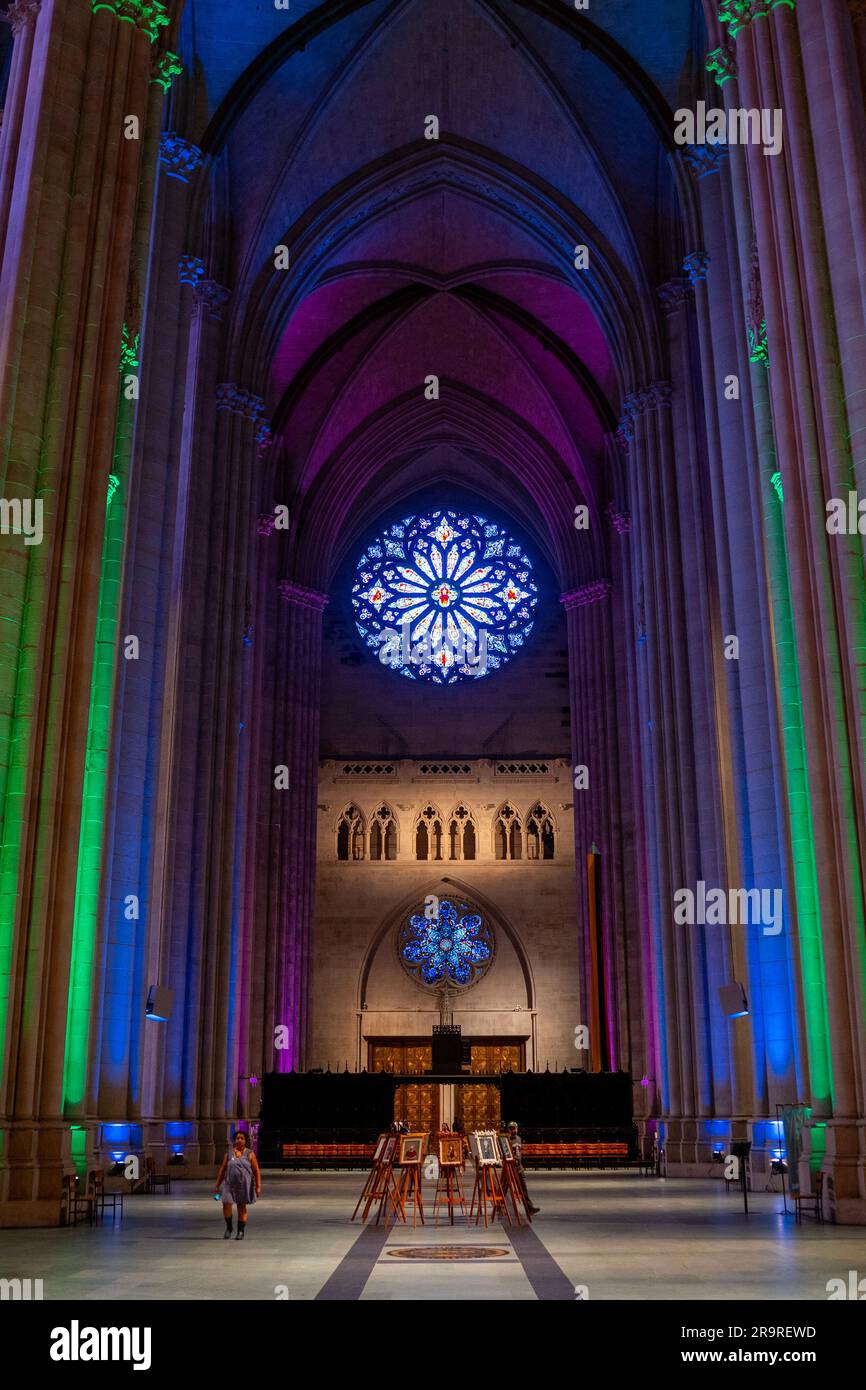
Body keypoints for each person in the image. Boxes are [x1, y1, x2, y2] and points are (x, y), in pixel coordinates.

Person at [215, 1130, 261, 1239]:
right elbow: (222, 1170)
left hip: (243, 1185)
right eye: (237, 1138)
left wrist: (258, 1186)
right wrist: (217, 1185)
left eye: (242, 1138)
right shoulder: (229, 1153)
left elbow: (256, 1170)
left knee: (241, 1206)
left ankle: (240, 1231)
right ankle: (229, 1227)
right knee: (226, 1203)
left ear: (245, 1141)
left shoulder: (250, 1153)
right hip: (229, 1184)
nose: (239, 1140)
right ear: (234, 1140)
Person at [506, 1120, 540, 1215]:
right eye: (511, 1129)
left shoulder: (519, 1139)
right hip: (510, 1167)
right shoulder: (507, 1140)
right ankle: (500, 1207)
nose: (513, 1130)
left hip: (519, 1167)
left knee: (524, 1188)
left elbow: (520, 1152)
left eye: (515, 1128)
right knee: (504, 1188)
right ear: (508, 1130)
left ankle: (529, 1208)